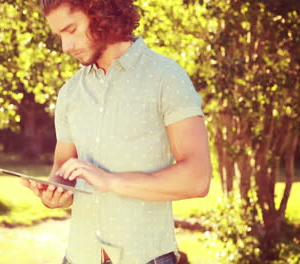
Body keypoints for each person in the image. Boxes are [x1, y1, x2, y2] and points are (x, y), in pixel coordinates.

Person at [20, 0, 212, 263]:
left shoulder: (166, 78)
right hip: (79, 256)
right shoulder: (70, 93)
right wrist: (55, 196)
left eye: (71, 29)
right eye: (59, 36)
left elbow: (197, 178)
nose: (66, 46)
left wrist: (110, 181)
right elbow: (62, 170)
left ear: (100, 12)